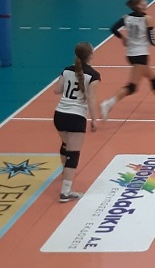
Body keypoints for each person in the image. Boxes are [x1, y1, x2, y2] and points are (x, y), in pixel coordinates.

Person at [100, 0, 155, 118]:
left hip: (131, 54)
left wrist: (122, 38)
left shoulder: (126, 18)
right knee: (132, 87)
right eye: (143, 0)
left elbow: (113, 29)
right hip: (140, 55)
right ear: (139, 5)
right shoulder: (147, 19)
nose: (146, 2)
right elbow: (151, 40)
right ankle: (108, 103)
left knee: (154, 79)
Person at [53, 42, 100, 202]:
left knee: (65, 144)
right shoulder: (93, 75)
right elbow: (91, 98)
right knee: (73, 153)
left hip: (59, 115)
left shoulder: (67, 70)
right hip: (76, 117)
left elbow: (57, 90)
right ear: (91, 55)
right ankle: (65, 192)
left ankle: (65, 172)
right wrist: (94, 119)